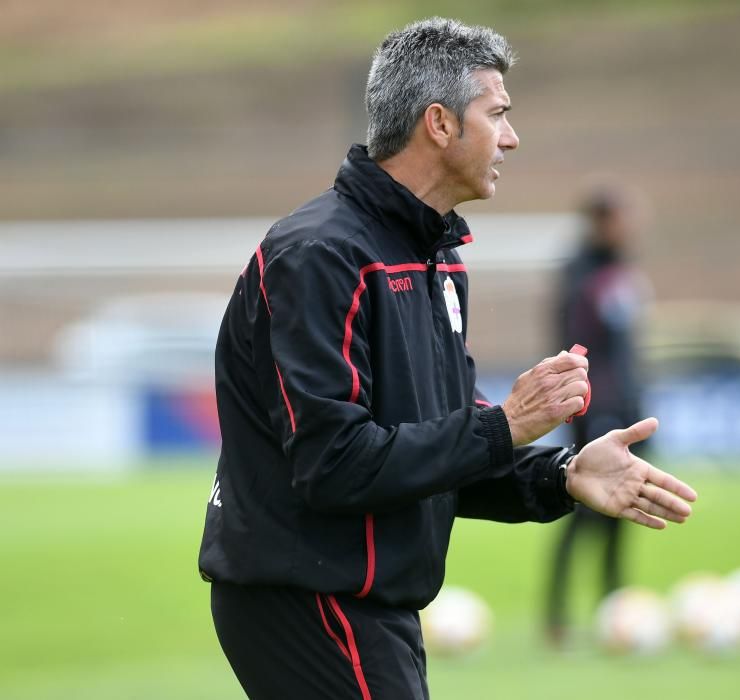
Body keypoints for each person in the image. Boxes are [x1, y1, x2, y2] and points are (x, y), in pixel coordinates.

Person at [198, 17, 695, 700]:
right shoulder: (320, 257)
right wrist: (505, 425)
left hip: (370, 603)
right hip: (308, 602)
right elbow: (335, 464)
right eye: (497, 114)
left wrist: (562, 475)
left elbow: (435, 453)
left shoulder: (436, 260)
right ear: (438, 123)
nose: (512, 138)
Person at [545, 187, 654, 646]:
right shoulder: (579, 275)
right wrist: (586, 404)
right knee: (581, 511)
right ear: (599, 221)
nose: (627, 224)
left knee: (624, 509)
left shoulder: (621, 267)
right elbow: (575, 346)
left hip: (629, 405)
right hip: (598, 409)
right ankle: (556, 616)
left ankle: (615, 607)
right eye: (618, 217)